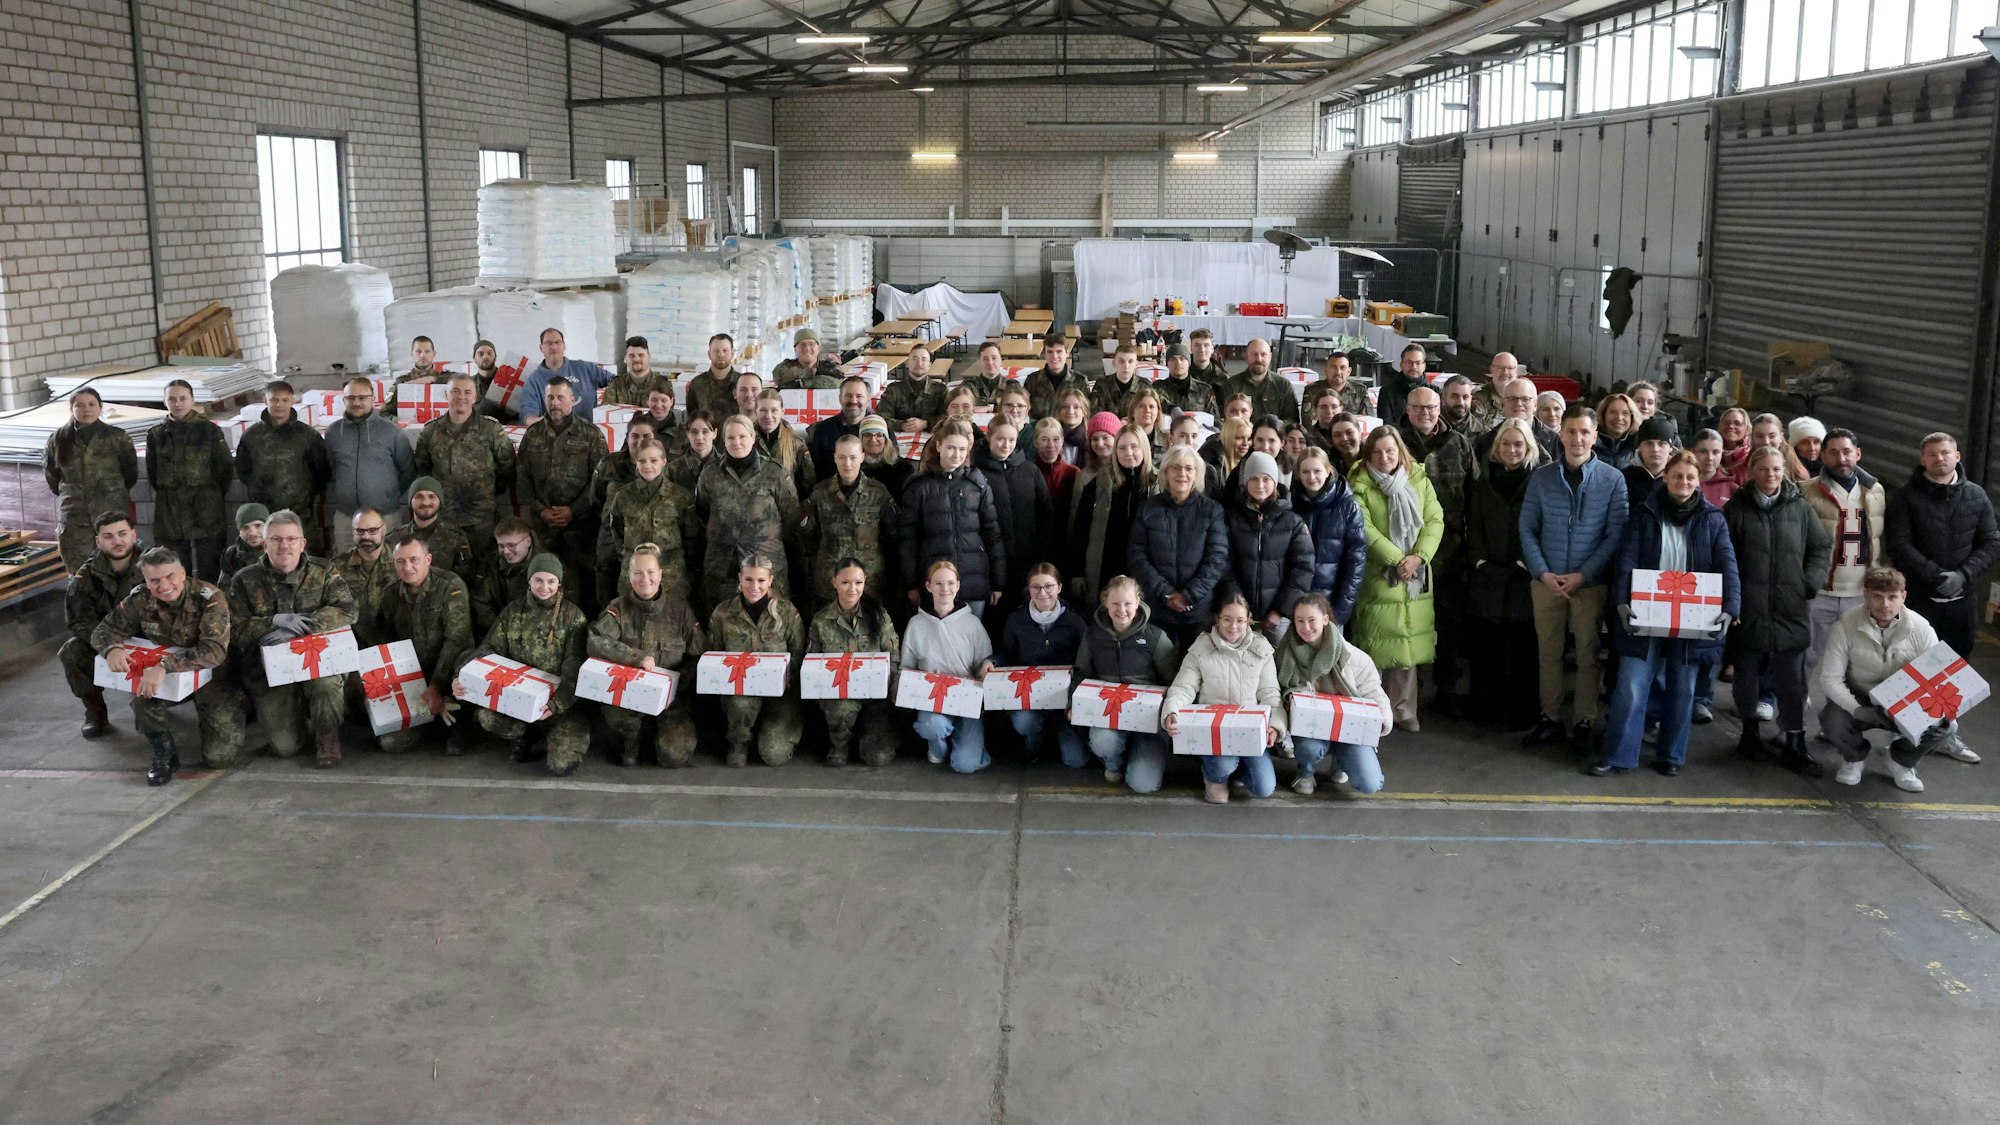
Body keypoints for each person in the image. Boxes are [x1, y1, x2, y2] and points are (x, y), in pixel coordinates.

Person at [1591, 451, 1741, 778]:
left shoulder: (1713, 518)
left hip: (1692, 618)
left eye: (1690, 477)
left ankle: (1671, 755)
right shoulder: (1644, 514)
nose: (1683, 482)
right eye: (1677, 476)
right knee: (1631, 687)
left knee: (1682, 690)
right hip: (1643, 616)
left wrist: (1730, 608)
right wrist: (1621, 603)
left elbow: (1727, 564)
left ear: (1698, 480)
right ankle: (1617, 755)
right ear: (1666, 478)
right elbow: (1626, 562)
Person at [1520, 404, 1628, 751]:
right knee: (1547, 652)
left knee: (1587, 654)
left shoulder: (1613, 480)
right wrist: (1542, 572)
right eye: (1571, 431)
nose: (1577, 438)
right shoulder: (1542, 477)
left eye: (1585, 432)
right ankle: (1549, 718)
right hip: (1546, 582)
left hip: (1589, 585)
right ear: (1560, 434)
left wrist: (1585, 574)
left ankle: (1584, 720)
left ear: (1595, 436)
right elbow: (1527, 528)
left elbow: (1615, 535)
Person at [91, 545, 241, 782]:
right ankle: (164, 752)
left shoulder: (210, 598)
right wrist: (112, 648)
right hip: (165, 675)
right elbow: (104, 630)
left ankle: (242, 706)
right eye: (154, 580)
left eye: (170, 576)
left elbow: (213, 652)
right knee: (141, 697)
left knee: (220, 758)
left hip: (211, 677)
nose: (163, 586)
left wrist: (163, 666)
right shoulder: (140, 597)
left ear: (182, 573)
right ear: (146, 580)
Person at [1725, 445, 1831, 776]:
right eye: (1763, 469)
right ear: (1751, 471)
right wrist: (1733, 597)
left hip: (1790, 608)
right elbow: (1723, 554)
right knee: (1747, 677)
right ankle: (1750, 733)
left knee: (1792, 680)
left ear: (1784, 470)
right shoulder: (1736, 508)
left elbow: (1820, 547)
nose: (1770, 475)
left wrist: (1809, 583)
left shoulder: (1799, 507)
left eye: (1776, 469)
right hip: (1749, 609)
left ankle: (1795, 741)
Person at [228, 509, 357, 768]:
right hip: (268, 670)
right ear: (265, 544)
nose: (283, 546)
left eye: (290, 539)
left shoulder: (323, 571)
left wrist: (303, 627)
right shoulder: (245, 580)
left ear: (302, 543)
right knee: (285, 747)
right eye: (275, 539)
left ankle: (327, 735)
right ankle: (298, 720)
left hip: (317, 660)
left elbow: (348, 610)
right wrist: (272, 623)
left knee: (326, 683)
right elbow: (233, 627)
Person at [1818, 567, 1965, 792]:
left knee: (1944, 725)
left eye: (1892, 597)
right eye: (1877, 596)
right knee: (1831, 719)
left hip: (1905, 702)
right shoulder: (1845, 626)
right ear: (1865, 594)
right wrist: (1857, 710)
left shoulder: (1921, 628)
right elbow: (1829, 679)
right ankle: (1854, 757)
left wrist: (1949, 718)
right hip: (1861, 698)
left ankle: (1902, 761)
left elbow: (1941, 679)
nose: (1885, 605)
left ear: (1903, 597)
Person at [455, 553, 589, 774]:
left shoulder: (573, 617)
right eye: (538, 580)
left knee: (561, 766)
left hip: (560, 706)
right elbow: (488, 650)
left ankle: (551, 736)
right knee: (487, 717)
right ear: (529, 580)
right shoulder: (512, 612)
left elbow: (575, 667)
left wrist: (557, 704)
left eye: (551, 581)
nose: (544, 587)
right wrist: (462, 676)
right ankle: (527, 733)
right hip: (519, 701)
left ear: (559, 582)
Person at [1348, 427, 1444, 731]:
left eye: (1390, 451)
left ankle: (1403, 710)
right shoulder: (1359, 484)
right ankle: (1373, 710)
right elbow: (1363, 528)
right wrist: (1397, 559)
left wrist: (1418, 558)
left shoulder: (1419, 479)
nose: (1384, 457)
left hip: (1415, 574)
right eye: (1376, 452)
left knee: (1406, 646)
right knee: (1374, 645)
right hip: (1379, 574)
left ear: (1400, 451)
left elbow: (1434, 520)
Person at [1883, 431, 2000, 663]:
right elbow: (1898, 545)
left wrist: (1962, 575)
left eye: (1945, 452)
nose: (1939, 458)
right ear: (1922, 460)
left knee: (1956, 665)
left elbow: (1991, 542)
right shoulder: (1905, 497)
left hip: (1962, 603)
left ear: (1957, 456)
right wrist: (1936, 577)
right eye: (1932, 454)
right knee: (1913, 664)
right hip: (1919, 600)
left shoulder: (1976, 495)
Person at [1162, 593, 1287, 804]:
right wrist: (1171, 712)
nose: (1233, 626)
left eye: (1240, 620)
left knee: (1264, 787)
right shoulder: (1201, 647)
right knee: (1223, 766)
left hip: (1249, 732)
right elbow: (1184, 687)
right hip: (1213, 732)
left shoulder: (1262, 649)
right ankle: (1215, 775)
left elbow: (1270, 693)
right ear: (1217, 619)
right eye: (1227, 619)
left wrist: (1275, 726)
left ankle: (1233, 769)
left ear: (1249, 619)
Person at [589, 543, 706, 768]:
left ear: (660, 574)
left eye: (651, 572)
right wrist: (636, 657)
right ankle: (632, 739)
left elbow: (698, 653)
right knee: (626, 747)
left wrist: (679, 688)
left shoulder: (679, 610)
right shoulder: (618, 608)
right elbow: (594, 641)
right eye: (637, 573)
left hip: (671, 698)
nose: (645, 579)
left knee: (674, 756)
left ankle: (659, 733)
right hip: (629, 693)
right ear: (629, 576)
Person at [1463, 418, 1542, 728]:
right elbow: (1475, 524)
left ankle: (1523, 714)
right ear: (1496, 448)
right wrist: (1483, 564)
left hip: (1525, 576)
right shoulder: (1484, 484)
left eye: (1518, 444)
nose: (1512, 449)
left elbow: (1542, 526)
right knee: (1488, 648)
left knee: (1523, 649)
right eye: (1506, 444)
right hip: (1488, 578)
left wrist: (1522, 564)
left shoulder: (1539, 482)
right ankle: (1485, 712)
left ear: (1529, 448)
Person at [1275, 592, 1393, 795]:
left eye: (1312, 620)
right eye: (1299, 621)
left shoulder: (1354, 657)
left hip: (1351, 729)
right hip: (1311, 728)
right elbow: (1277, 691)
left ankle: (1340, 762)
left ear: (1325, 619)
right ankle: (1305, 771)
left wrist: (1381, 719)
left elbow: (1373, 691)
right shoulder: (1285, 655)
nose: (1306, 627)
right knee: (1309, 748)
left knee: (1370, 784)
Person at [369, 532, 474, 755]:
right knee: (392, 743)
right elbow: (385, 644)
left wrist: (436, 685)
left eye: (414, 560)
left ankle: (459, 725)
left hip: (449, 672)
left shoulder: (450, 586)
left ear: (428, 560)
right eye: (400, 561)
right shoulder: (391, 595)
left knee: (465, 668)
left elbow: (457, 639)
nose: (407, 567)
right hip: (413, 676)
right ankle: (426, 722)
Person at [897, 421, 1006, 615]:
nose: (956, 454)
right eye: (951, 448)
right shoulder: (919, 487)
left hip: (973, 582)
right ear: (939, 446)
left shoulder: (977, 484)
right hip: (935, 585)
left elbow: (992, 534)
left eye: (962, 449)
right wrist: (911, 583)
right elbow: (908, 539)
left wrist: (998, 582)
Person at [517, 377, 606, 608]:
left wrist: (573, 511)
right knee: (545, 585)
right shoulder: (532, 435)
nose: (555, 403)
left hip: (582, 528)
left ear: (573, 400)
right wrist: (540, 511)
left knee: (585, 588)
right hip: (543, 527)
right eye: (550, 398)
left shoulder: (591, 435)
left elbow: (600, 481)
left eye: (560, 398)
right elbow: (523, 479)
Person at [695, 415, 800, 611]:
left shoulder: (774, 472)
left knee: (770, 624)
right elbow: (702, 513)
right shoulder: (710, 474)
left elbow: (791, 517)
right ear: (723, 440)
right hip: (722, 567)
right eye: (731, 438)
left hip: (766, 566)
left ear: (753, 438)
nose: (737, 442)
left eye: (742, 436)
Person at [805, 558, 902, 767]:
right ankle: (839, 743)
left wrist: (889, 682)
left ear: (865, 582)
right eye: (845, 582)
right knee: (841, 710)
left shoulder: (878, 615)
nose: (852, 589)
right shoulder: (821, 621)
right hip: (839, 695)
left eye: (858, 583)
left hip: (875, 697)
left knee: (877, 757)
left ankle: (869, 736)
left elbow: (892, 655)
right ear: (834, 582)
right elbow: (812, 664)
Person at [1803, 428, 1884, 676]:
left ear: (1858, 454)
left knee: (1855, 658)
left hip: (1860, 592)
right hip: (1820, 591)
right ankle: (1796, 703)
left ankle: (1843, 710)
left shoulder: (1876, 492)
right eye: (1834, 453)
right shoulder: (1805, 491)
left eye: (1847, 452)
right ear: (1823, 457)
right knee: (1808, 653)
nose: (1842, 459)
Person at [901, 560, 994, 773]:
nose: (945, 589)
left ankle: (966, 746)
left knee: (965, 765)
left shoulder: (972, 624)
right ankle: (938, 746)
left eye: (950, 583)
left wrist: (986, 666)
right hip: (932, 698)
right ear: (928, 586)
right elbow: (907, 666)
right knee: (932, 726)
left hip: (966, 699)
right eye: (939, 583)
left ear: (958, 586)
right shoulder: (916, 624)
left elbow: (984, 660)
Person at [412, 371, 516, 558]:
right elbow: (424, 468)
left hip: (481, 517)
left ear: (475, 396)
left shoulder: (491, 429)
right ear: (446, 395)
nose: (461, 397)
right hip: (444, 518)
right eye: (455, 391)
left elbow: (506, 467)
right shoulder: (430, 431)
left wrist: (489, 491)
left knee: (481, 572)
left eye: (467, 392)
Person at [60, 512, 146, 739]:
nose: (117, 541)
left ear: (133, 535)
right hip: (108, 639)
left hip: (150, 636)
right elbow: (80, 621)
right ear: (98, 541)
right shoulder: (86, 576)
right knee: (72, 652)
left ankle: (159, 702)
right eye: (108, 536)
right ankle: (95, 711)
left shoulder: (153, 565)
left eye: (122, 534)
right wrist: (110, 646)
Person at [998, 563, 1087, 767]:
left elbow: (1085, 661)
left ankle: (1058, 737)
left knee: (1076, 760)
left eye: (1048, 586)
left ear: (1059, 588)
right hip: (1029, 694)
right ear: (1028, 590)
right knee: (1024, 722)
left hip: (1064, 697)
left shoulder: (1074, 622)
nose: (1042, 592)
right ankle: (1034, 745)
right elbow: (1006, 653)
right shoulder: (1016, 620)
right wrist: (992, 661)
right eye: (1035, 587)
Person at [146, 378, 234, 582]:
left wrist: (209, 494)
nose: (178, 403)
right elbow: (153, 473)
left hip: (205, 507)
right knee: (173, 566)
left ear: (192, 400)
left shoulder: (209, 430)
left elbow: (224, 469)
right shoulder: (157, 434)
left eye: (183, 398)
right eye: (172, 399)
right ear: (164, 401)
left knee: (209, 566)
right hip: (170, 511)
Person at [43, 388, 140, 573]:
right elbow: (52, 477)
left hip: (112, 515)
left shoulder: (117, 438)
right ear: (71, 409)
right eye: (79, 405)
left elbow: (130, 474)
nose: (86, 409)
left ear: (100, 407)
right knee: (80, 574)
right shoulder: (57, 440)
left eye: (91, 404)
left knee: (119, 571)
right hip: (75, 517)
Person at [234, 379, 331, 555]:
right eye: (274, 400)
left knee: (306, 561)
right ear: (265, 401)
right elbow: (243, 470)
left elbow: (322, 472)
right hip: (264, 516)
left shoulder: (308, 436)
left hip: (301, 514)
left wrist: (303, 494)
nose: (279, 405)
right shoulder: (252, 436)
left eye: (284, 400)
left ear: (292, 401)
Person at [800, 435, 898, 607]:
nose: (847, 463)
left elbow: (892, 536)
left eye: (853, 458)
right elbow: (807, 538)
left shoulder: (879, 494)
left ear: (862, 456)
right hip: (829, 584)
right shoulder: (820, 495)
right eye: (842, 457)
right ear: (835, 458)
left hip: (869, 584)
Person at [598, 438, 698, 604]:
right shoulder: (623, 496)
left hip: (670, 573)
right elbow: (617, 532)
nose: (647, 465)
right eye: (642, 461)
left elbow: (691, 538)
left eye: (654, 460)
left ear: (664, 462)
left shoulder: (680, 497)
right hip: (634, 573)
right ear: (636, 463)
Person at [1225, 451, 1313, 638]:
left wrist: (1280, 610)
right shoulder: (1231, 519)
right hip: (1238, 615)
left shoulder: (1292, 522)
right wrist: (1238, 605)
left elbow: (1303, 567)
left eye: (1266, 479)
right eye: (1254, 479)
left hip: (1277, 617)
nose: (1260, 485)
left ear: (1275, 482)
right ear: (1245, 482)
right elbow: (1224, 565)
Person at [325, 376, 415, 552]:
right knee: (346, 568)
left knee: (389, 568)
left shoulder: (392, 432)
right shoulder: (333, 433)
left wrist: (388, 496)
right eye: (350, 398)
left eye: (362, 397)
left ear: (373, 399)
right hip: (346, 517)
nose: (356, 402)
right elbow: (331, 469)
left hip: (385, 516)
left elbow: (408, 471)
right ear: (344, 400)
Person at [976, 418, 1054, 620]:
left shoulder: (1030, 471)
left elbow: (1046, 515)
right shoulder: (976, 473)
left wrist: (1041, 555)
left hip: (1028, 561)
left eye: (1011, 440)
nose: (1005, 445)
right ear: (988, 437)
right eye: (1000, 438)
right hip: (993, 564)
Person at [1067, 426, 1153, 606]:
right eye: (1122, 448)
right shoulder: (1097, 485)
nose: (1128, 453)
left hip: (1144, 572)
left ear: (1144, 448)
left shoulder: (1158, 485)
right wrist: (1077, 572)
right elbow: (1080, 531)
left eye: (1134, 447)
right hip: (1104, 568)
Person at [1289, 446, 1366, 627]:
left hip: (1330, 606)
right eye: (1306, 471)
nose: (1312, 477)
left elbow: (1356, 560)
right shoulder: (1290, 503)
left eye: (1317, 471)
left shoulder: (1348, 506)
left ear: (1328, 471)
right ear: (1298, 474)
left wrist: (1339, 611)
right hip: (1295, 604)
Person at [468, 517, 540, 638]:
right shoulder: (490, 564)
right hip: (496, 632)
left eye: (511, 545)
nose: (506, 551)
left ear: (527, 541)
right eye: (501, 546)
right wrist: (499, 630)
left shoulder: (546, 569)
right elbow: (480, 602)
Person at [332, 509, 395, 644]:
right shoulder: (337, 567)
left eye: (372, 530)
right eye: (359, 531)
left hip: (396, 645)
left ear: (384, 529)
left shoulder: (401, 563)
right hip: (354, 646)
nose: (366, 536)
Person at [389, 477, 470, 577]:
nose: (425, 502)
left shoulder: (457, 538)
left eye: (432, 497)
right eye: (419, 497)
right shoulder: (394, 539)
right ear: (410, 501)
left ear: (440, 501)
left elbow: (465, 579)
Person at [1472, 376, 1558, 463]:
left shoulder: (1554, 440)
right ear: (1502, 404)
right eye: (1512, 399)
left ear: (1535, 405)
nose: (1519, 403)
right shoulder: (1487, 441)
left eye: (1525, 399)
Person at [753, 388, 816, 500]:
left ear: (783, 411)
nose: (768, 416)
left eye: (774, 410)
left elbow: (808, 482)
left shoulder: (796, 444)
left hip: (787, 510)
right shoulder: (745, 441)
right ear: (755, 411)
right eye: (763, 410)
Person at [1221, 337, 1298, 424]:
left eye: (1263, 354)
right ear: (1246, 357)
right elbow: (1226, 419)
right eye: (1254, 354)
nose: (1259, 359)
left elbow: (1292, 420)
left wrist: (1272, 429)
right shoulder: (1232, 385)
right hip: (1242, 435)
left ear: (1270, 357)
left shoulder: (1283, 385)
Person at [877, 343, 950, 434]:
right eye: (914, 359)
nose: (919, 363)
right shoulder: (893, 389)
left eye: (924, 359)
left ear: (929, 365)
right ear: (907, 363)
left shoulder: (940, 389)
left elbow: (948, 416)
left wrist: (926, 423)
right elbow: (880, 418)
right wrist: (901, 425)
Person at [808, 375, 871, 480]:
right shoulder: (822, 430)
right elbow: (814, 469)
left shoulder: (880, 431)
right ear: (840, 399)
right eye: (848, 395)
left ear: (868, 400)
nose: (853, 401)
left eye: (859, 396)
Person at [1024, 336, 1090, 420]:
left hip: (1069, 430)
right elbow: (1025, 410)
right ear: (1044, 354)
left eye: (1059, 352)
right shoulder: (1032, 380)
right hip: (1039, 430)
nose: (1054, 356)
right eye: (1050, 352)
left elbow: (1086, 412)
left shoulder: (1079, 381)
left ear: (1067, 353)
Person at [1623, 416, 1677, 513]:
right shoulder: (1624, 478)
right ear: (1639, 446)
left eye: (1662, 444)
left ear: (1671, 448)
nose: (1655, 449)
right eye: (1649, 443)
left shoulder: (1680, 477)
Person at [683, 333, 743, 420]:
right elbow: (692, 418)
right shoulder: (697, 384)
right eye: (716, 351)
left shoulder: (742, 383)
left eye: (725, 350)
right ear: (709, 354)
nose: (721, 355)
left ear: (732, 353)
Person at [857, 413, 914, 499]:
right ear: (861, 439)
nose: (873, 439)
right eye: (868, 434)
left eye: (879, 435)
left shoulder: (903, 468)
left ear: (886, 440)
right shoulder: (853, 466)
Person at [1467, 351, 1527, 432]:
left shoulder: (1526, 397)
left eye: (1510, 368)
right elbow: (1476, 430)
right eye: (1500, 368)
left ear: (1516, 371)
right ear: (1492, 370)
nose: (1505, 372)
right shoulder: (1480, 397)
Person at [1152, 343, 1217, 417]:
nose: (1178, 363)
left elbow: (1215, 419)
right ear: (1167, 364)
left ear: (1189, 363)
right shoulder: (1158, 387)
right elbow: (1158, 401)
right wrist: (1172, 409)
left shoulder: (1204, 390)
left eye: (1182, 359)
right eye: (1173, 359)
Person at [1032, 416, 1079, 520]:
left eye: (1056, 439)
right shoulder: (1028, 473)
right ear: (1036, 442)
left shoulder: (1073, 473)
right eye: (1044, 439)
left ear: (1062, 441)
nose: (1051, 445)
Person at [601, 336, 667, 406]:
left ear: (649, 356)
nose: (636, 359)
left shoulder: (662, 383)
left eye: (641, 355)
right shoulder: (616, 385)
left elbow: (666, 413)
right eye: (632, 356)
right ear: (625, 358)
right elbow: (605, 411)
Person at [1375, 344, 1428, 429]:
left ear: (1424, 366)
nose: (1414, 367)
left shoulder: (1434, 392)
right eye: (1409, 363)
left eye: (1418, 363)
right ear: (1401, 365)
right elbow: (1387, 425)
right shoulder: (1387, 392)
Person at [1304, 351, 1371, 419]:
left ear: (1349, 371)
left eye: (1342, 367)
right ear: (1326, 370)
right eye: (1333, 367)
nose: (1338, 372)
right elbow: (1308, 423)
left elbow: (1370, 420)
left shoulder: (1360, 390)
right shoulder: (1312, 391)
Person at [771, 327, 843, 389]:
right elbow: (778, 377)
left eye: (811, 344)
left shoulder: (830, 366)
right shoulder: (786, 366)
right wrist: (810, 372)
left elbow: (838, 383)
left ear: (818, 349)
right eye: (802, 344)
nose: (807, 348)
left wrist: (803, 383)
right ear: (795, 349)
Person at [1397, 385, 1455, 462]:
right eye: (1417, 407)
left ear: (1438, 410)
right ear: (1408, 409)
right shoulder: (1394, 441)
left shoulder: (1457, 441)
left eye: (1430, 407)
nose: (1424, 412)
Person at [668, 410, 720, 493]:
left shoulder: (725, 466)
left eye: (705, 432)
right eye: (694, 432)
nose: (699, 437)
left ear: (714, 433)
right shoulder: (673, 468)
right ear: (687, 434)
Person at [1091, 344, 1148, 414]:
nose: (1126, 366)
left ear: (1136, 364)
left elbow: (1149, 414)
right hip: (1108, 424)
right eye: (1121, 361)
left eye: (1130, 361)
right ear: (1114, 363)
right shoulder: (1102, 384)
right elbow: (1095, 414)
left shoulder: (1144, 386)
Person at [959, 341, 1019, 407]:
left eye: (994, 358)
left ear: (1001, 360)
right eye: (985, 359)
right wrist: (999, 403)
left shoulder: (1011, 386)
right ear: (980, 362)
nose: (990, 362)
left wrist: (987, 407)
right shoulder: (969, 385)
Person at [218, 503, 268, 580]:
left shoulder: (280, 551)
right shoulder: (231, 554)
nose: (252, 533)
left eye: (258, 526)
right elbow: (225, 587)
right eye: (245, 527)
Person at [1692, 428, 1737, 509]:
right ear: (1693, 452)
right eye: (1703, 451)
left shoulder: (1732, 488)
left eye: (1715, 452)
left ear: (1722, 453)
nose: (1710, 457)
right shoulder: (1682, 482)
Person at [1594, 392, 1640, 469]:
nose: (1619, 418)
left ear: (1632, 417)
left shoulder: (1638, 445)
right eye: (1613, 412)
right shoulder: (1590, 442)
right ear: (1603, 414)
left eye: (1625, 413)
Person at [1125, 386, 1170, 464]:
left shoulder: (1167, 440)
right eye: (1141, 406)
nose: (1147, 410)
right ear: (1132, 412)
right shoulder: (1123, 437)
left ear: (1158, 412)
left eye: (1151, 407)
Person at [1055, 389, 1092, 464]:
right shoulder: (1051, 438)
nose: (1070, 411)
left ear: (1085, 412)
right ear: (1059, 411)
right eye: (1065, 407)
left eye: (1076, 407)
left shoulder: (1092, 438)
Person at [1716, 407, 1752, 480]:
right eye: (1727, 423)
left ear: (1747, 429)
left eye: (1737, 423)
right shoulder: (1708, 453)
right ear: (1720, 427)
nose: (1731, 426)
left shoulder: (1751, 458)